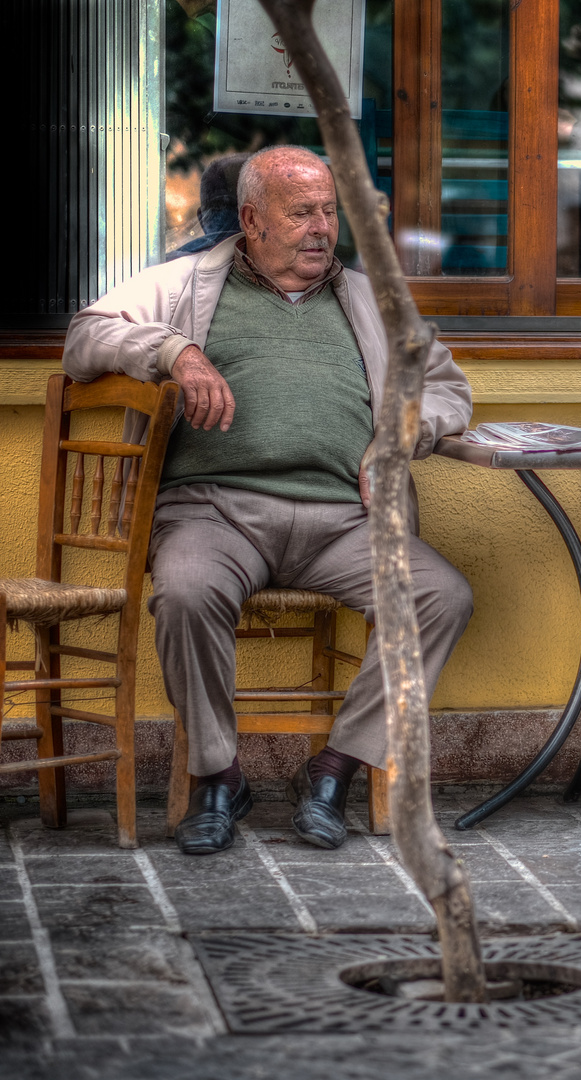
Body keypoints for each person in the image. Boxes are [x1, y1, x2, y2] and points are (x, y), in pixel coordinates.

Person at [64, 146, 475, 856]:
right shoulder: (186, 283)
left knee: (440, 594)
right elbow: (84, 339)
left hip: (345, 518)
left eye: (328, 212)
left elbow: (447, 389)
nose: (322, 228)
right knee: (186, 594)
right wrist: (177, 354)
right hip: (213, 512)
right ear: (252, 220)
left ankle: (335, 770)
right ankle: (219, 777)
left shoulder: (373, 300)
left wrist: (405, 432)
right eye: (302, 213)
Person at [168, 153, 250, 260]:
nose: (230, 222)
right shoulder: (177, 266)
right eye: (221, 209)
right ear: (202, 218)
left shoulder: (176, 264)